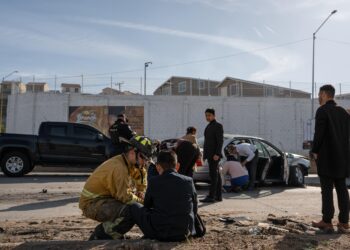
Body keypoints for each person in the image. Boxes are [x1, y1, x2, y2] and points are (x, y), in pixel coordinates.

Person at [79, 135, 154, 240]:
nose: (145, 163)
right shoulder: (119, 168)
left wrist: (141, 192)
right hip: (92, 204)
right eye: (144, 158)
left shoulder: (132, 164)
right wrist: (143, 202)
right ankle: (102, 235)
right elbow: (125, 197)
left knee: (133, 207)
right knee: (131, 211)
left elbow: (141, 177)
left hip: (106, 199)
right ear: (133, 152)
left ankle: (114, 231)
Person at [127, 150, 198, 241]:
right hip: (184, 233)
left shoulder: (154, 181)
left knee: (134, 206)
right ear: (177, 166)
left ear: (158, 167)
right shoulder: (188, 181)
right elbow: (194, 208)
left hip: (161, 233)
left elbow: (147, 206)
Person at [311, 84, 350, 233]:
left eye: (319, 94)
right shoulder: (343, 113)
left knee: (326, 190)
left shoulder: (322, 111)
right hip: (342, 157)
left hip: (327, 157)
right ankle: (344, 222)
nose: (318, 98)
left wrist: (314, 151)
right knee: (342, 189)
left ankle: (327, 221)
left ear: (324, 94)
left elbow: (319, 133)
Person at [200, 108, 224, 203]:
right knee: (215, 175)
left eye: (209, 115)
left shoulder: (218, 126)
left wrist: (217, 153)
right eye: (206, 115)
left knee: (213, 176)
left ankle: (211, 196)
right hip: (210, 155)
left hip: (214, 155)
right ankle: (218, 196)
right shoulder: (209, 126)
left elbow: (220, 141)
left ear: (214, 115)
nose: (207, 117)